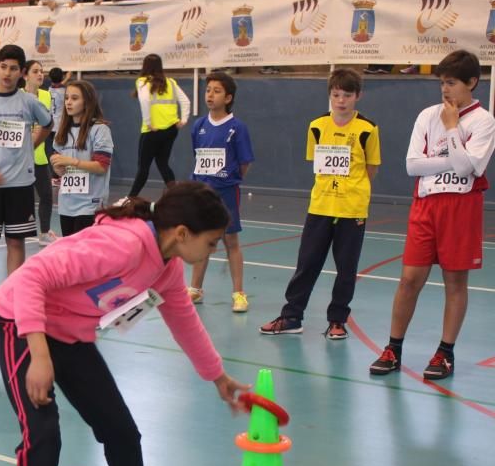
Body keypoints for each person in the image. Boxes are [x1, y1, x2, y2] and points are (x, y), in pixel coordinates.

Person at [0, 185, 249, 466]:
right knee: (43, 442)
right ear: (182, 233)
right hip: (22, 325)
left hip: (69, 336)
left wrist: (218, 377)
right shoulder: (121, 246)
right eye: (209, 243)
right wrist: (39, 353)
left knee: (121, 431)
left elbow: (182, 316)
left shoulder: (164, 263)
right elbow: (33, 276)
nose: (210, 252)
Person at [370, 50, 495, 380]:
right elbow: (413, 165)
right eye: (441, 83)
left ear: (471, 82)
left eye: (451, 83)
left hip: (461, 208)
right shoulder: (426, 116)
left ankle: (445, 352)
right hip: (426, 205)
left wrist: (453, 130)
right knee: (409, 279)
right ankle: (393, 348)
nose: (445, 89)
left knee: (455, 282)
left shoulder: (483, 121)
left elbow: (472, 168)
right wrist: (455, 159)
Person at [259, 68, 380, 339]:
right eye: (336, 94)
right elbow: (317, 165)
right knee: (307, 264)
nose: (341, 100)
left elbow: (371, 169)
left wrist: (352, 190)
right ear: (330, 95)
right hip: (320, 206)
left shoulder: (368, 129)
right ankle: (292, 316)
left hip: (352, 209)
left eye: (347, 95)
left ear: (357, 96)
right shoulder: (316, 126)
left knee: (346, 269)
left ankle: (337, 320)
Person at [0, 44, 52, 318]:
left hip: (20, 184)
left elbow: (47, 123)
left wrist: (32, 143)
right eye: (3, 67)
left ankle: (12, 296)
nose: (7, 72)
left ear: (22, 73)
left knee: (16, 242)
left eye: (14, 68)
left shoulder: (28, 102)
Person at [187, 71, 255, 312]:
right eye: (208, 91)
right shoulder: (199, 126)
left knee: (230, 241)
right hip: (202, 193)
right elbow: (197, 156)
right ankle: (195, 288)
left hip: (226, 193)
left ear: (228, 98)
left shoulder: (237, 128)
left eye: (216, 91)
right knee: (202, 240)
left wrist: (229, 179)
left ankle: (238, 293)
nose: (210, 95)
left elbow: (244, 162)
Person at [46, 79, 113, 236]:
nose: (69, 102)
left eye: (75, 98)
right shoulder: (62, 132)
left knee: (85, 254)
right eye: (67, 98)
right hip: (67, 203)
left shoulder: (99, 130)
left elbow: (101, 166)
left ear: (87, 102)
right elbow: (61, 171)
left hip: (90, 204)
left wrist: (71, 161)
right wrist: (57, 167)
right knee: (71, 255)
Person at [126, 53, 189, 198]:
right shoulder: (171, 82)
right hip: (171, 130)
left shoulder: (142, 81)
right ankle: (176, 195)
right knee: (162, 163)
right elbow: (186, 101)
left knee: (143, 167)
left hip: (152, 130)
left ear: (145, 66)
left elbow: (145, 101)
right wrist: (183, 119)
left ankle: (130, 198)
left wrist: (149, 123)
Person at [22, 60, 54, 245]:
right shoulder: (18, 95)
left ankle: (44, 234)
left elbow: (46, 123)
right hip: (21, 156)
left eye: (42, 71)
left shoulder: (46, 95)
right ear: (25, 75)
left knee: (47, 195)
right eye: (35, 71)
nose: (40, 74)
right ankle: (18, 229)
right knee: (21, 196)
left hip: (40, 155)